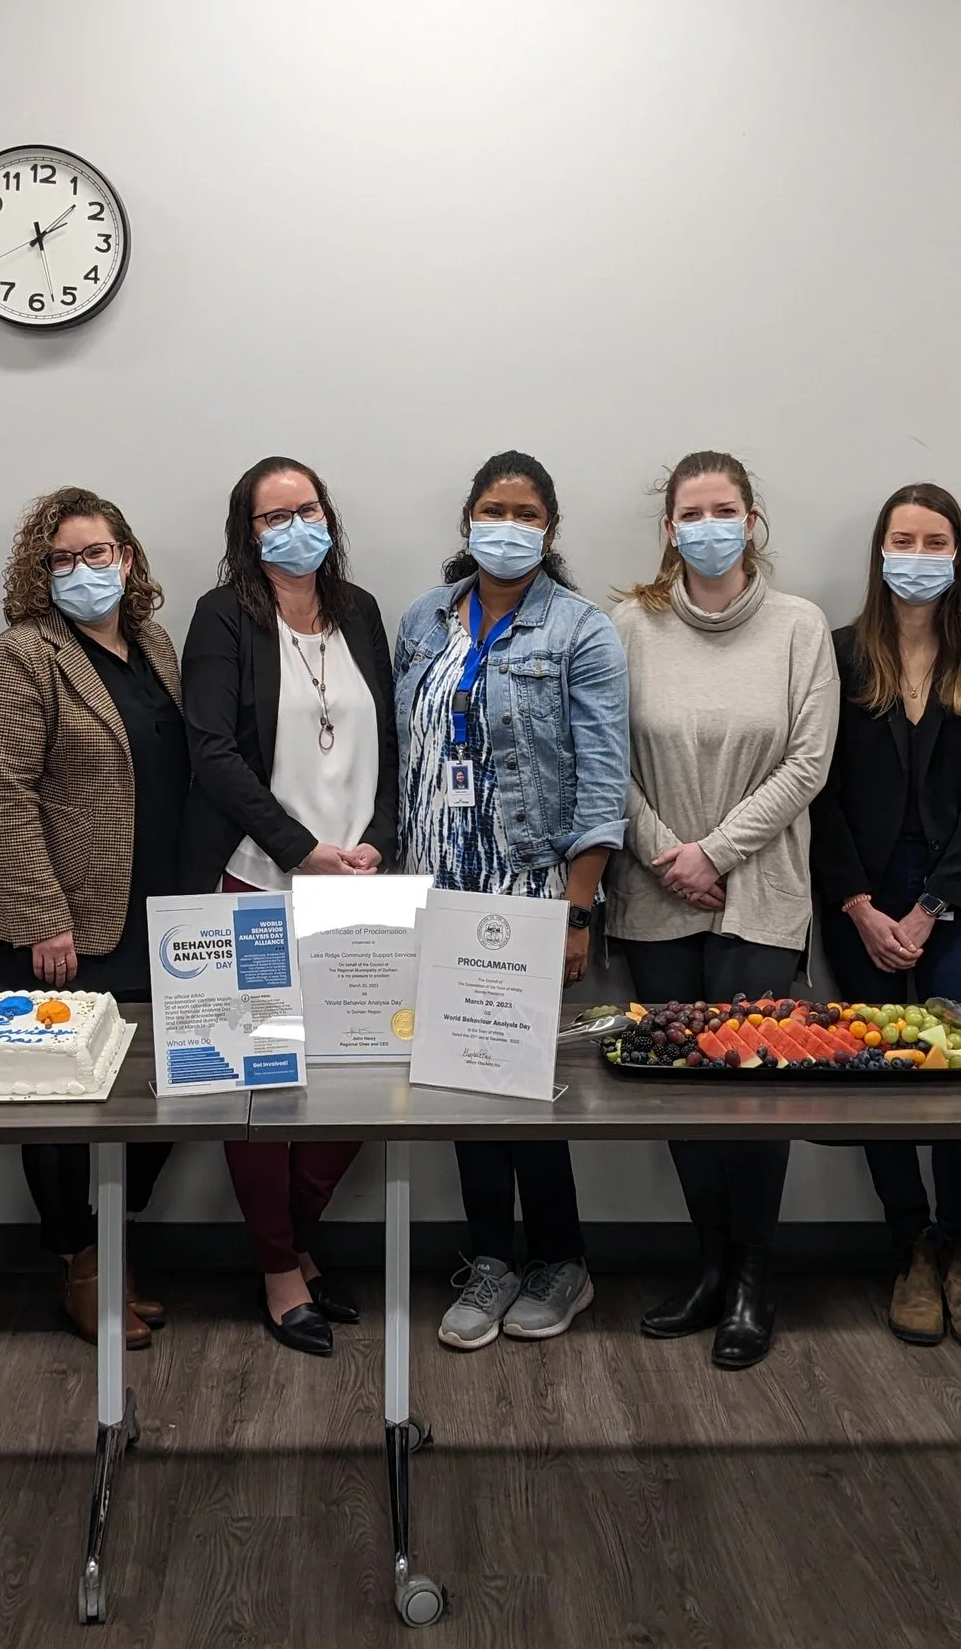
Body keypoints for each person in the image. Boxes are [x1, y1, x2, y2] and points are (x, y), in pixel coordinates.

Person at [608, 452, 836, 1371]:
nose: (709, 524)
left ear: (753, 521)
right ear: (668, 528)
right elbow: (603, 758)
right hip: (654, 891)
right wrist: (670, 852)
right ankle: (707, 1263)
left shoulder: (798, 626)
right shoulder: (628, 625)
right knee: (678, 1093)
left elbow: (809, 761)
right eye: (691, 511)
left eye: (725, 508)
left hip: (761, 894)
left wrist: (715, 853)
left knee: (752, 1091)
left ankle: (753, 1276)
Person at [397, 452, 628, 1352]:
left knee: (528, 1086)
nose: (507, 523)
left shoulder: (581, 631)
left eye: (525, 511)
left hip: (531, 887)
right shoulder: (423, 620)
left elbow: (604, 780)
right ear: (466, 521)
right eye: (492, 508)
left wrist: (577, 909)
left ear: (550, 528)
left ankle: (562, 1261)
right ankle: (492, 1258)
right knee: (460, 1080)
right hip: (439, 886)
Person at [181, 457, 397, 1356]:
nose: (292, 526)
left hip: (362, 889)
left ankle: (295, 1237)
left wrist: (375, 840)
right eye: (273, 517)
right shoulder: (222, 615)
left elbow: (394, 736)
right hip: (252, 882)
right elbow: (212, 750)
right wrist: (300, 851)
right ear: (248, 532)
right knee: (260, 1091)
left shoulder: (363, 611)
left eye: (305, 509)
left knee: (359, 1084)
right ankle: (278, 1269)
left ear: (329, 516)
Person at [0, 487, 186, 1348]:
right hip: (73, 923)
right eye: (63, 558)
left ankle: (117, 1242)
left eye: (98, 553)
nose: (83, 570)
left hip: (166, 917)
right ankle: (80, 1265)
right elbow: (2, 791)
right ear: (40, 570)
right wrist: (40, 916)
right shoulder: (21, 657)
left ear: (127, 559)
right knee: (72, 1109)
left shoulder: (156, 646)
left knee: (161, 1101)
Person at [811, 483, 961, 1353]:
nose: (919, 553)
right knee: (876, 1067)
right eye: (904, 537)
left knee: (958, 1066)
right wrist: (859, 905)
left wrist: (932, 909)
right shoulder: (839, 652)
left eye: (936, 539)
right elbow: (818, 788)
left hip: (953, 895)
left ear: (958, 553)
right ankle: (910, 1247)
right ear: (879, 550)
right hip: (859, 887)